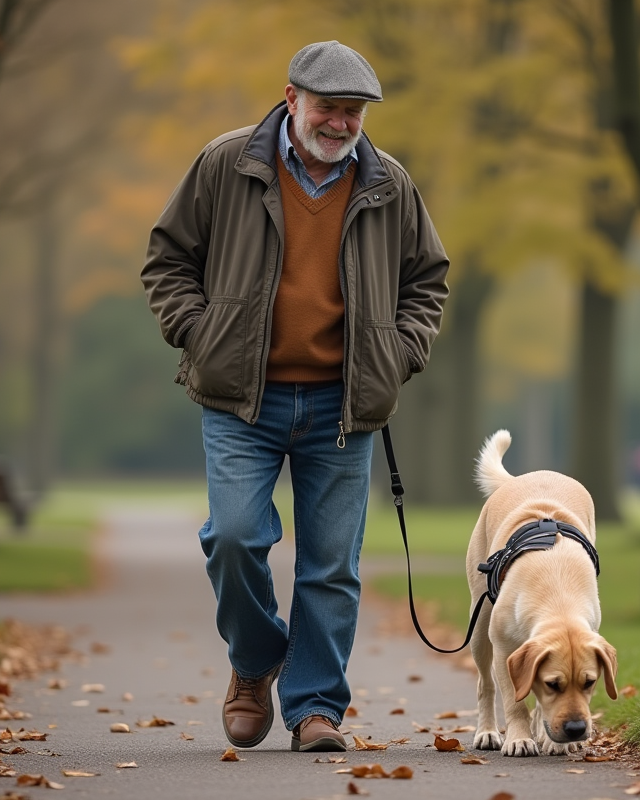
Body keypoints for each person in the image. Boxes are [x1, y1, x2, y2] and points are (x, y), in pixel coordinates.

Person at [141, 40, 449, 753]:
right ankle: (255, 663)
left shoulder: (389, 183)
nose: (341, 124)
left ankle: (315, 710)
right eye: (329, 108)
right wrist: (199, 332)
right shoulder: (227, 163)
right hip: (242, 401)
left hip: (342, 407)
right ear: (291, 100)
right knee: (235, 537)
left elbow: (426, 279)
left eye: (354, 113)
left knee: (331, 567)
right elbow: (167, 257)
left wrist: (398, 353)